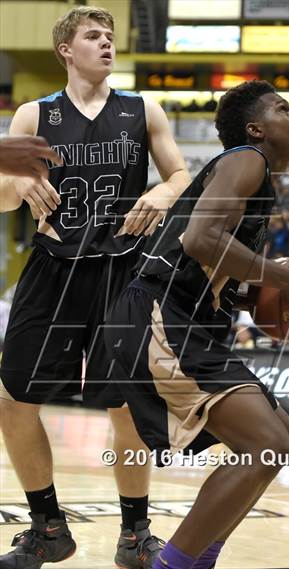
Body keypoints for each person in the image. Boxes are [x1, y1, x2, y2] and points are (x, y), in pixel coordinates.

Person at [104, 80, 289, 569]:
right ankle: (176, 565)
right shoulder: (246, 159)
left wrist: (275, 299)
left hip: (183, 319)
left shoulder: (252, 175)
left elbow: (218, 272)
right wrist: (286, 282)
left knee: (281, 438)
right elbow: (200, 239)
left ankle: (196, 559)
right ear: (256, 129)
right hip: (157, 316)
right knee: (265, 442)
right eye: (284, 109)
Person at [0, 6, 190, 569]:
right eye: (93, 36)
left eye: (110, 36)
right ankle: (47, 527)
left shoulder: (142, 109)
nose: (106, 44)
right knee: (13, 403)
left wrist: (163, 193)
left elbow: (181, 176)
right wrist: (21, 179)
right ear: (66, 49)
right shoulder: (33, 114)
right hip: (53, 269)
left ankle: (134, 534)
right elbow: (6, 197)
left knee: (126, 409)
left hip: (122, 274)